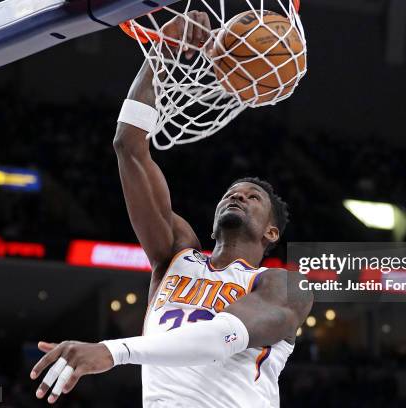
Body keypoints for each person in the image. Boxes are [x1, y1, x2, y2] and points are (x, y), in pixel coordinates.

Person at [29, 11, 313, 407]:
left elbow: (222, 337)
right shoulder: (176, 254)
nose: (238, 197)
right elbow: (128, 146)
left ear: (271, 232)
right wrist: (162, 51)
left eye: (253, 197)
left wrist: (114, 351)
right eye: (232, 192)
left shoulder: (284, 287)